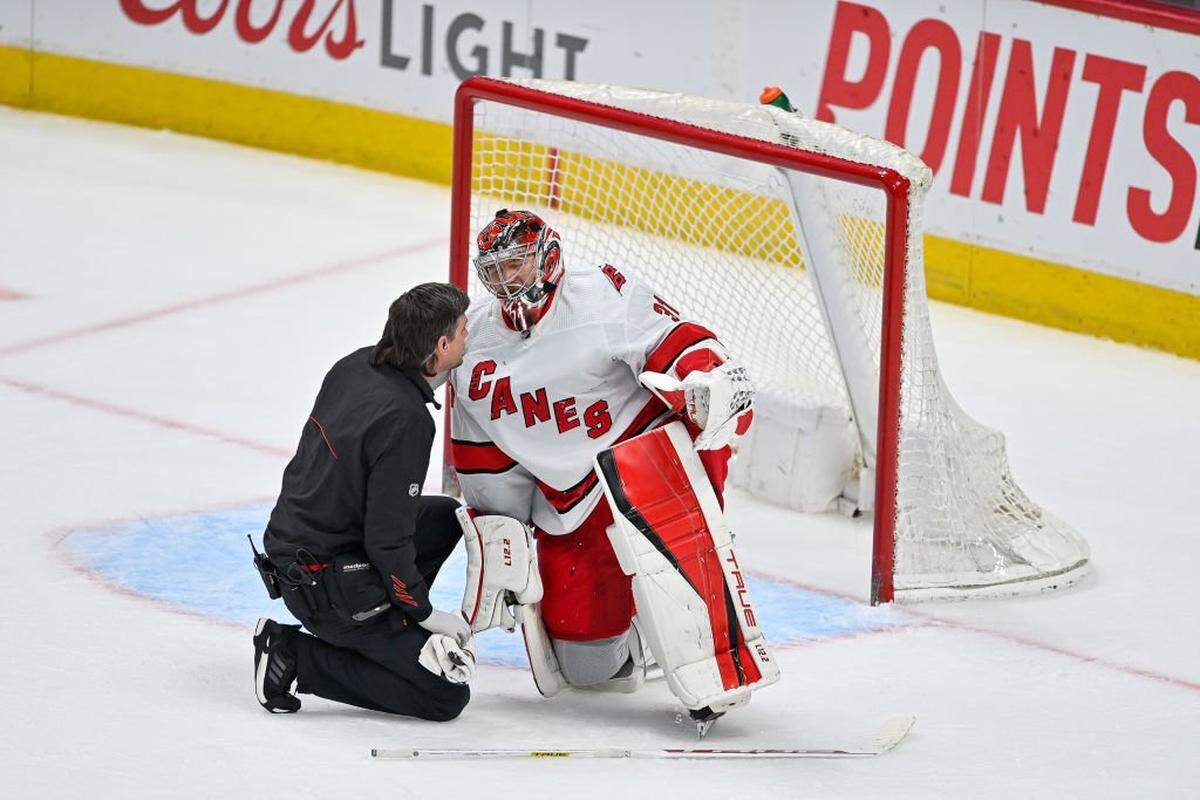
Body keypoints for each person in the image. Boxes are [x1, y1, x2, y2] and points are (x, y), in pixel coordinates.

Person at [449, 210, 773, 728]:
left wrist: (706, 379)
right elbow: (483, 455)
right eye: (496, 270)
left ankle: (713, 658)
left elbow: (680, 341)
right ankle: (638, 625)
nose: (507, 281)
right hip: (572, 502)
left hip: (643, 457)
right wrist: (502, 536)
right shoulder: (475, 349)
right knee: (590, 670)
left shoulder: (600, 294)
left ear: (549, 259)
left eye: (518, 265)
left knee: (682, 557)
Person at [252, 282, 475, 721]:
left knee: (445, 517)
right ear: (441, 344)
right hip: (323, 584)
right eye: (464, 331)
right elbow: (387, 541)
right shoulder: (407, 420)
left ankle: (387, 627)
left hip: (302, 548)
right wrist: (426, 614)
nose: (470, 338)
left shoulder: (356, 364)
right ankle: (295, 657)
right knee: (445, 696)